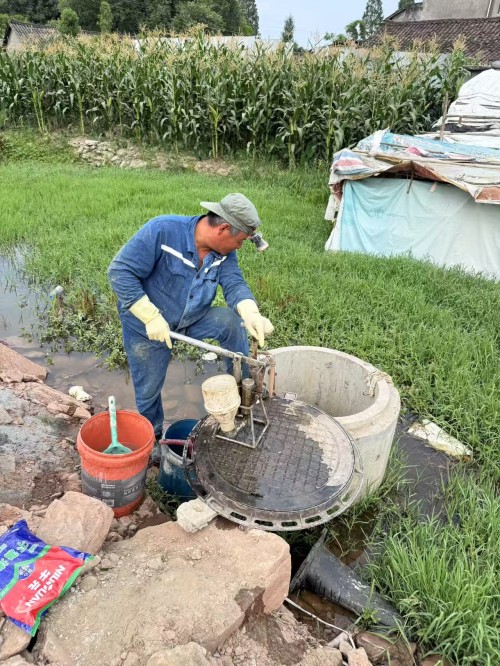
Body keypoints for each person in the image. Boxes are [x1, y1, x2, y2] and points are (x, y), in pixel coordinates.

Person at [107, 192, 274, 443]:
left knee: (231, 323)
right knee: (148, 389)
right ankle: (154, 437)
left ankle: (244, 394)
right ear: (223, 229)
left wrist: (251, 312)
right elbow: (120, 272)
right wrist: (150, 316)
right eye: (239, 241)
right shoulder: (163, 231)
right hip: (148, 326)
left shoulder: (224, 253)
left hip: (192, 318)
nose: (239, 247)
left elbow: (234, 282)